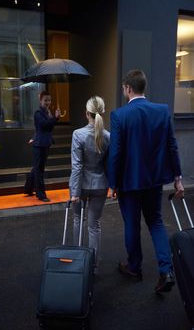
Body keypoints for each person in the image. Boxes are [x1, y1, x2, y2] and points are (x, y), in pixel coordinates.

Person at [108, 69, 184, 293]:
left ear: (128, 88)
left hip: (129, 183)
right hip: (154, 181)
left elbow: (116, 153)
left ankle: (134, 267)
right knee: (156, 223)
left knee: (132, 225)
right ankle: (166, 270)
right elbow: (172, 146)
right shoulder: (161, 111)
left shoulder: (119, 115)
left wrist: (112, 184)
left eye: (123, 88)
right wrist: (178, 179)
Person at [69, 96, 110, 273]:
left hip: (81, 185)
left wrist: (75, 192)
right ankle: (93, 265)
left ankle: (78, 260)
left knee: (78, 219)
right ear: (102, 113)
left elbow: (77, 166)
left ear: (87, 114)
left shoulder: (78, 134)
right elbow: (110, 164)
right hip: (101, 184)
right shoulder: (108, 136)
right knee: (94, 225)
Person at [24, 91, 60, 202]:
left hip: (45, 143)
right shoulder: (38, 113)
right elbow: (43, 126)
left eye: (49, 100)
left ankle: (28, 188)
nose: (48, 102)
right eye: (45, 100)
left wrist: (53, 117)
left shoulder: (47, 112)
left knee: (37, 168)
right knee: (39, 170)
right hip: (39, 145)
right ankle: (41, 195)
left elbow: (46, 128)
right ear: (40, 101)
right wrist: (55, 118)